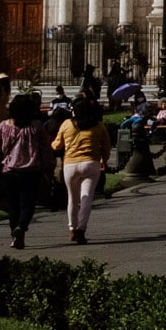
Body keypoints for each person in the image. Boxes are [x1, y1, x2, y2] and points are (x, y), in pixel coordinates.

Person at [0, 91, 55, 249]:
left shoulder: (4, 126)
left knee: (13, 206)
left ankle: (15, 236)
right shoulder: (36, 127)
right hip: (31, 171)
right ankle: (21, 227)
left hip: (8, 172)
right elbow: (45, 149)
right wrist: (49, 167)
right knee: (28, 204)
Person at [51, 96, 112, 245]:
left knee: (72, 198)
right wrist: (104, 160)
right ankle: (81, 229)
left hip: (70, 164)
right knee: (86, 198)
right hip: (91, 163)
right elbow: (106, 146)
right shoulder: (98, 125)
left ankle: (72, 228)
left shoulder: (67, 124)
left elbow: (57, 145)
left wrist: (52, 144)